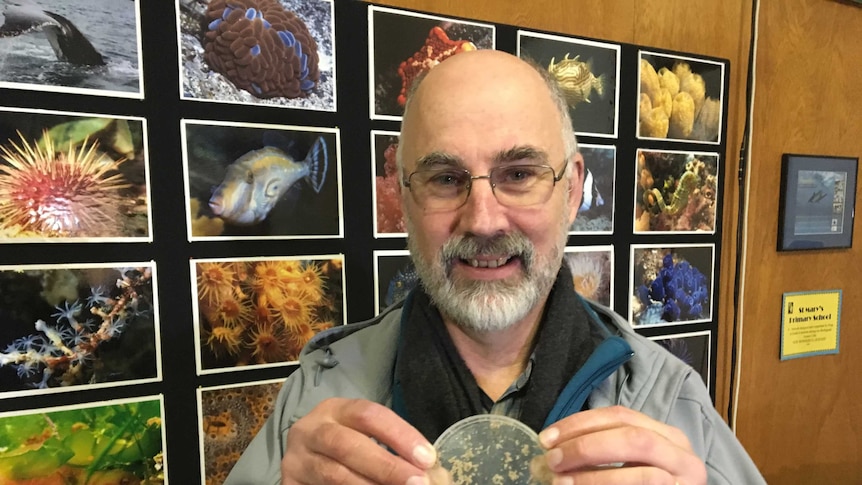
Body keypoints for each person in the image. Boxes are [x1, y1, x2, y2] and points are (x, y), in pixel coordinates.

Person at [225, 50, 765, 485]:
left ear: (572, 190)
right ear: (407, 200)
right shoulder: (317, 398)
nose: (483, 221)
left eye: (520, 174)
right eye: (444, 179)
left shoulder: (672, 405)